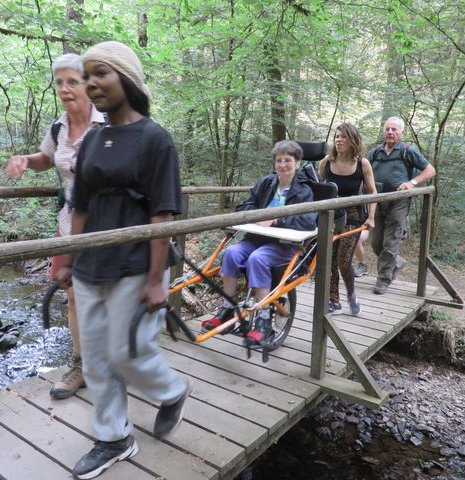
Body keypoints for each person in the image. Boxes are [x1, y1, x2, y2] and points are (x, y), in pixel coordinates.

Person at [55, 41, 190, 480]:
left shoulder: (156, 139)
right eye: (86, 75)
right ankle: (114, 437)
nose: (91, 84)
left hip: (137, 264)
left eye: (100, 74)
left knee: (127, 352)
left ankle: (172, 390)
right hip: (93, 260)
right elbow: (80, 206)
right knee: (95, 358)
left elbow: (163, 213)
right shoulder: (93, 139)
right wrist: (69, 259)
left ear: (126, 79)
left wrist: (157, 279)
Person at [6, 53, 104, 400]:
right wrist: (25, 161)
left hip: (107, 225)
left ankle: (115, 359)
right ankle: (81, 365)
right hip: (69, 224)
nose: (64, 89)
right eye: (59, 82)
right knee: (74, 297)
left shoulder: (107, 124)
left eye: (72, 82)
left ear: (88, 85)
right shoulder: (58, 126)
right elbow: (47, 159)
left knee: (106, 296)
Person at [202, 140, 317, 346]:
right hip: (256, 239)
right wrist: (256, 216)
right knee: (231, 253)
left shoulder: (304, 190)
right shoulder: (265, 183)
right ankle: (228, 308)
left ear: (297, 163)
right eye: (279, 160)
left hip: (285, 245)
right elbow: (244, 205)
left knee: (257, 258)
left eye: (288, 160)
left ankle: (263, 321)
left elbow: (307, 220)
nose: (283, 165)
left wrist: (275, 220)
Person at [368, 116, 436, 294]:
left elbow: (430, 170)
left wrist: (411, 183)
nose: (390, 132)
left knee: (390, 242)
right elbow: (364, 171)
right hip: (377, 202)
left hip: (399, 202)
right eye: (387, 129)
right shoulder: (375, 152)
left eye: (394, 130)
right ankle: (396, 262)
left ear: (401, 132)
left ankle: (383, 279)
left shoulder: (407, 151)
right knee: (376, 243)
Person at [318, 123, 377, 315]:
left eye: (343, 137)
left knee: (343, 261)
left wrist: (371, 217)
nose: (339, 140)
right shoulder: (326, 162)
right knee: (329, 260)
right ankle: (333, 300)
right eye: (336, 136)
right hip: (331, 216)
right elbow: (318, 190)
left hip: (353, 216)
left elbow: (372, 192)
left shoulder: (362, 163)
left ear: (352, 140)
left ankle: (352, 295)